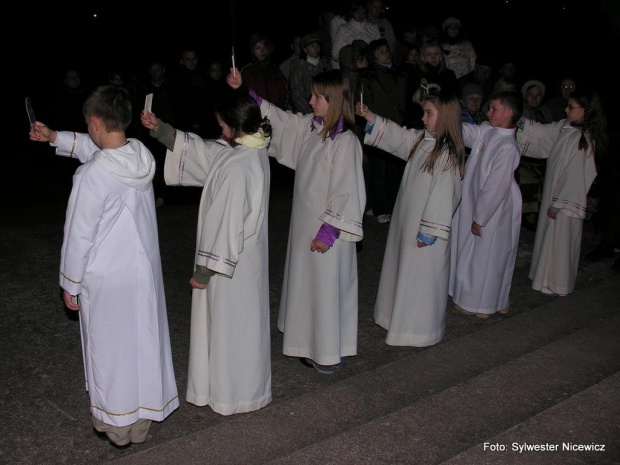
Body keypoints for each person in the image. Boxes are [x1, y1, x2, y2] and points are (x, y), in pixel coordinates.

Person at [28, 85, 179, 447]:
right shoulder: (141, 155)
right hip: (141, 276)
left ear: (94, 122)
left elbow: (79, 236)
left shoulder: (92, 176)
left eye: (87, 124)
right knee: (142, 343)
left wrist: (71, 283)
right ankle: (142, 420)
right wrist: (55, 137)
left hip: (108, 281)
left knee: (110, 351)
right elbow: (104, 151)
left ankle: (117, 427)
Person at [141, 89, 273, 414]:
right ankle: (240, 390)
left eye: (221, 125)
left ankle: (233, 395)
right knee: (242, 326)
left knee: (230, 327)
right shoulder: (249, 151)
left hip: (228, 268)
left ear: (233, 124)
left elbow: (227, 223)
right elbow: (204, 153)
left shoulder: (239, 166)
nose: (219, 131)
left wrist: (204, 271)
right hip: (244, 266)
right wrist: (162, 130)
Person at [227, 68, 366, 374]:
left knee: (326, 289)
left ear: (335, 101)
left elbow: (347, 190)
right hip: (305, 225)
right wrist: (244, 90)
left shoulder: (345, 142)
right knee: (308, 287)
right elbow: (279, 118)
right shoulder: (309, 128)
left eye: (318, 96)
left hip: (327, 232)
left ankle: (328, 352)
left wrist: (329, 231)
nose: (310, 100)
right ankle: (308, 343)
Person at [355, 91, 464, 346]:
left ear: (446, 117)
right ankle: (396, 318)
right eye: (424, 112)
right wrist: (370, 116)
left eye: (429, 113)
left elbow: (444, 195)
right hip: (408, 224)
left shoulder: (446, 155)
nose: (423, 118)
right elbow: (398, 136)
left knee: (421, 278)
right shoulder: (421, 141)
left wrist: (429, 230)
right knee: (403, 272)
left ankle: (419, 329)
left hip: (425, 231)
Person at [516, 88, 609, 296]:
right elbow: (542, 134)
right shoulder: (564, 128)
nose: (566, 109)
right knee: (550, 238)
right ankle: (545, 279)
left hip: (565, 201)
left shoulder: (584, 140)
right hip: (554, 194)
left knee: (562, 241)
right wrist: (521, 122)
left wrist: (559, 203)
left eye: (571, 107)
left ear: (586, 111)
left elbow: (575, 176)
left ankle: (559, 283)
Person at [449, 90, 523, 319]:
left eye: (494, 109)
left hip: (493, 209)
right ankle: (480, 298)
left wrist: (480, 217)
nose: (488, 112)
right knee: (473, 253)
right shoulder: (488, 131)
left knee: (488, 256)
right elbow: (467, 132)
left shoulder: (508, 146)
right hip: (474, 201)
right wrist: (447, 117)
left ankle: (484, 303)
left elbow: (496, 186)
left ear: (509, 113)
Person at [357, 38, 407, 223]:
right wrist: (370, 124)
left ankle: (393, 205)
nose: (385, 54)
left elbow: (402, 100)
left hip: (395, 126)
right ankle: (380, 208)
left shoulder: (397, 74)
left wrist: (401, 117)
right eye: (380, 52)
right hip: (376, 127)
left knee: (394, 169)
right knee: (379, 170)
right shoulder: (368, 77)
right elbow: (364, 103)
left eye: (387, 50)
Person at [288, 32, 331, 114]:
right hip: (307, 110)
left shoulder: (325, 63)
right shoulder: (299, 66)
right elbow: (297, 95)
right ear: (305, 49)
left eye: (317, 45)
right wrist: (310, 112)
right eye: (312, 46)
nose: (316, 48)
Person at [331, 0, 381, 69]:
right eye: (358, 12)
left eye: (363, 13)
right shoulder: (343, 28)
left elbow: (380, 48)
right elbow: (335, 53)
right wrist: (350, 58)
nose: (361, 15)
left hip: (371, 68)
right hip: (352, 69)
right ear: (352, 13)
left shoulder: (373, 28)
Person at [439, 17, 477, 91]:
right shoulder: (441, 47)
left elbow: (473, 63)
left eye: (456, 27)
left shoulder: (468, 44)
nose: (453, 30)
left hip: (467, 82)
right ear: (446, 30)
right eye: (450, 27)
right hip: (450, 83)